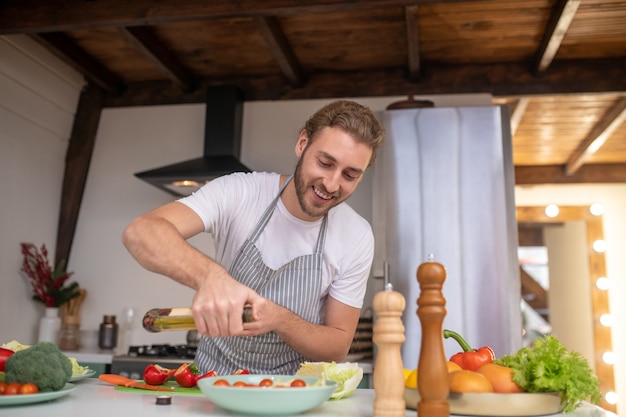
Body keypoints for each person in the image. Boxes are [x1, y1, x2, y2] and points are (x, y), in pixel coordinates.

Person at [122, 99, 385, 375]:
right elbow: (140, 232)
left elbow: (337, 345)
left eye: (350, 175)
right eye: (325, 163)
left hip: (293, 393)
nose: (332, 184)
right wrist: (212, 279)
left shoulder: (356, 235)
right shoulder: (240, 192)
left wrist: (279, 319)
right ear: (302, 143)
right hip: (214, 384)